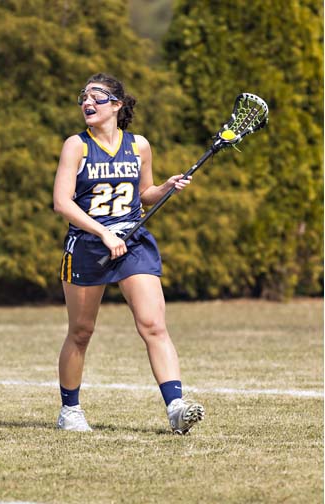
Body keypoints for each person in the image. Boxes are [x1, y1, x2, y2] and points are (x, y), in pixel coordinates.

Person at [52, 73, 204, 434]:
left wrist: (164, 187)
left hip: (133, 242)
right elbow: (61, 203)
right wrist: (102, 232)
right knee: (81, 331)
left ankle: (176, 408)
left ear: (117, 105)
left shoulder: (139, 146)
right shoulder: (76, 146)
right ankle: (69, 411)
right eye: (84, 98)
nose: (88, 103)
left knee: (153, 324)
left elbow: (143, 192)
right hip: (89, 246)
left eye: (98, 97)